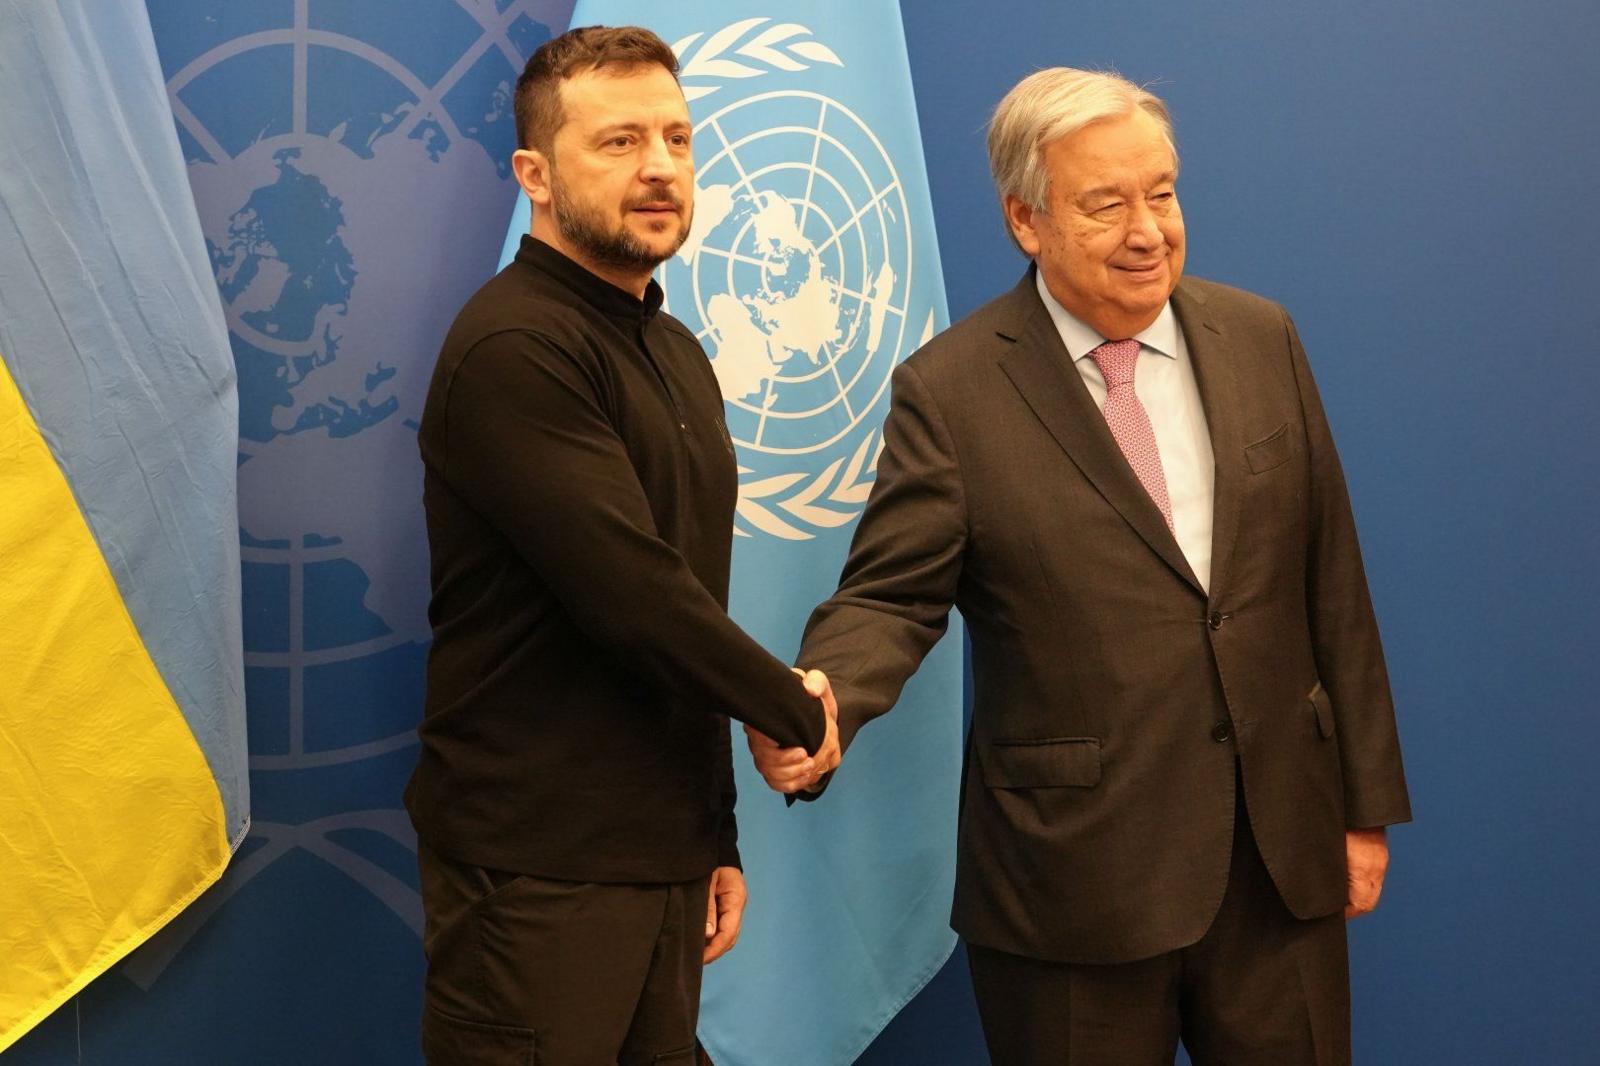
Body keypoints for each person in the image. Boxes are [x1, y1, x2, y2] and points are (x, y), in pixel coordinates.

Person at [748, 67, 1411, 1064]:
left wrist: (1362, 809)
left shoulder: (1261, 337)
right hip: (1071, 887)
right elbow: (890, 596)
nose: (1149, 230)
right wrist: (825, 695)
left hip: (1277, 864)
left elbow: (1333, 589)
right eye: (1106, 204)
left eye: (1162, 192)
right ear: (1025, 220)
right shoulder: (955, 391)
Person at [404, 26, 838, 1065]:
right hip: (537, 874)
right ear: (536, 175)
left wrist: (711, 834)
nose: (659, 167)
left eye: (678, 139)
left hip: (660, 856)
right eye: (618, 142)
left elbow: (685, 599)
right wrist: (795, 708)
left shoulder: (673, 347)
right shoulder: (516, 346)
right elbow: (635, 597)